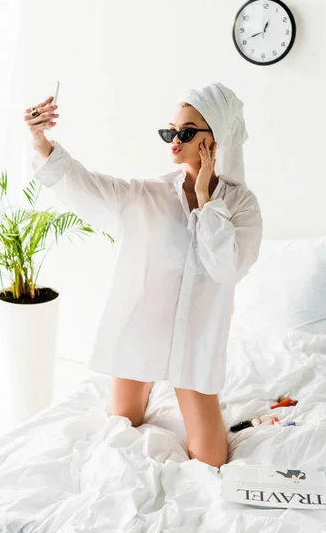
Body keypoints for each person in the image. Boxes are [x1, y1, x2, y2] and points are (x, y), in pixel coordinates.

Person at [24, 82, 263, 469]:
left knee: (211, 460)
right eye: (170, 131)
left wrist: (206, 200)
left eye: (185, 133)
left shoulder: (241, 206)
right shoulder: (148, 195)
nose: (174, 141)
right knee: (120, 425)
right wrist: (40, 142)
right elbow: (89, 186)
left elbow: (226, 268)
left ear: (215, 139)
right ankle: (145, 381)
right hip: (143, 333)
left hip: (198, 340)